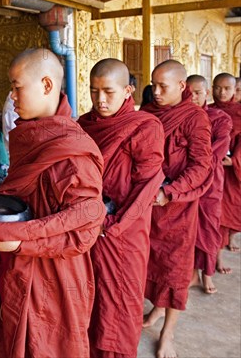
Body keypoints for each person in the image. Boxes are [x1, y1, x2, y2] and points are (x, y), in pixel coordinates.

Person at [0, 48, 106, 357]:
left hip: (56, 278)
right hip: (16, 267)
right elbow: (21, 194)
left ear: (46, 85)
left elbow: (84, 228)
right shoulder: (30, 136)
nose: (12, 96)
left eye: (17, 87)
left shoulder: (73, 149)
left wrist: (19, 243)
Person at [78, 58, 165, 358]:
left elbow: (147, 187)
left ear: (128, 91)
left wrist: (113, 224)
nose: (100, 100)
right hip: (88, 227)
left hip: (123, 234)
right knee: (88, 302)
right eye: (93, 91)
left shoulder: (144, 127)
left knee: (119, 307)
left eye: (108, 92)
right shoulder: (84, 125)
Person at [140, 60, 212, 358]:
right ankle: (156, 309)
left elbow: (201, 167)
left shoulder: (195, 118)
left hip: (176, 207)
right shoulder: (146, 114)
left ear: (182, 87)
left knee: (174, 270)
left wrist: (168, 191)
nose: (155, 92)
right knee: (147, 264)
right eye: (153, 85)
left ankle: (168, 334)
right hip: (145, 206)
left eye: (163, 87)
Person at [187, 75, 232, 293]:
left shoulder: (219, 117)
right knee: (188, 228)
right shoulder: (180, 116)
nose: (192, 96)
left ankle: (208, 274)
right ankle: (193, 275)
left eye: (197, 92)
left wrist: (195, 164)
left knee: (209, 227)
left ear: (206, 93)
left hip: (211, 182)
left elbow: (220, 147)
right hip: (184, 182)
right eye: (189, 92)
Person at [209, 72, 241, 271]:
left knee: (226, 215)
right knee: (215, 216)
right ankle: (215, 259)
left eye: (227, 88)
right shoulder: (208, 111)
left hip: (231, 173)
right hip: (213, 169)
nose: (222, 92)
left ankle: (219, 255)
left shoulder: (239, 112)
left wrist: (235, 161)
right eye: (218, 88)